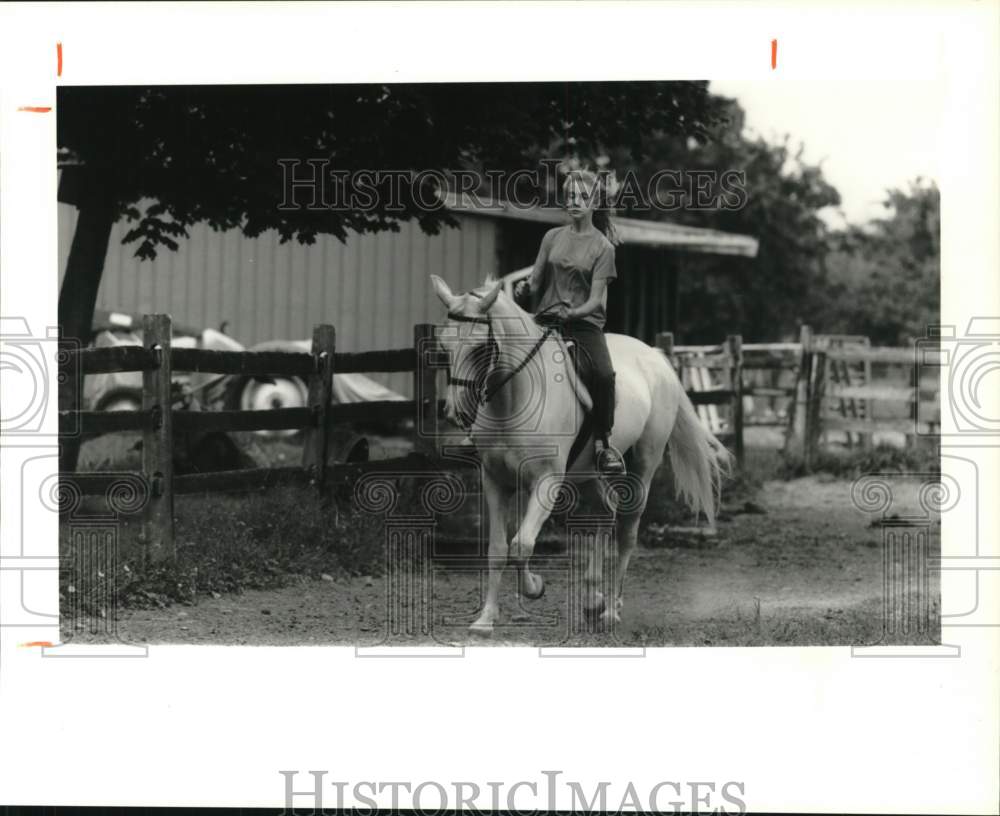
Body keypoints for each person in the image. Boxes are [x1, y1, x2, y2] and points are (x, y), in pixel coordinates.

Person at [514, 168, 627, 476]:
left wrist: (574, 313)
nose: (575, 202)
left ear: (594, 203)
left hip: (583, 325)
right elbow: (536, 281)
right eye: (571, 196)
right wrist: (523, 288)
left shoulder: (604, 248)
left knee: (603, 376)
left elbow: (595, 300)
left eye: (582, 197)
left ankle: (604, 444)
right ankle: (484, 430)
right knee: (502, 358)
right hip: (546, 321)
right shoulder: (551, 237)